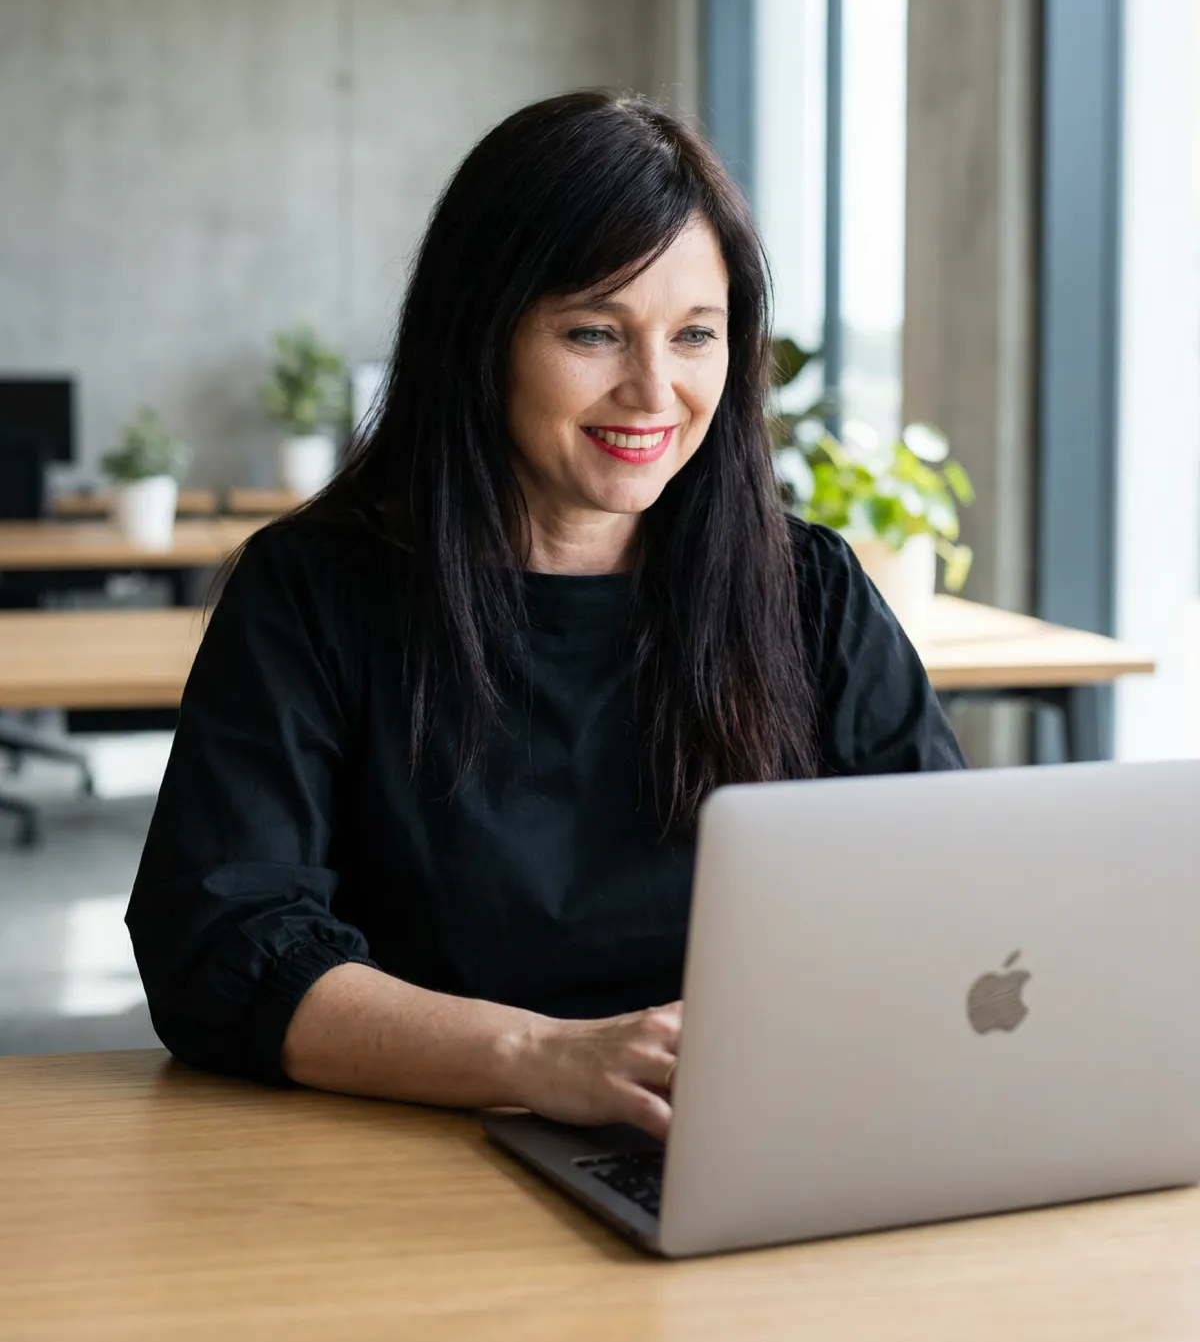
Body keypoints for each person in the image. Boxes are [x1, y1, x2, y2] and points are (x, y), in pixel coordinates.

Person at [126, 91, 964, 1142]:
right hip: (409, 1154)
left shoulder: (811, 590)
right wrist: (542, 1057)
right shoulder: (313, 591)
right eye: (593, 332)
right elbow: (221, 943)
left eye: (696, 335)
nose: (654, 391)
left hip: (743, 1140)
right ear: (481, 336)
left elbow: (945, 894)